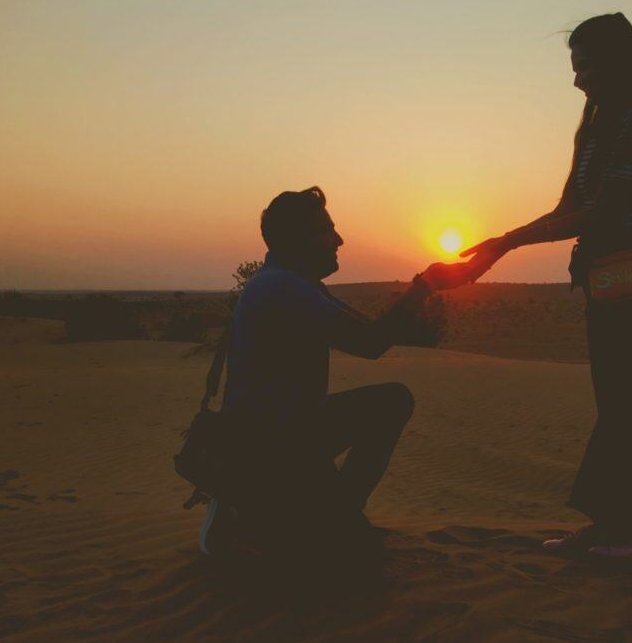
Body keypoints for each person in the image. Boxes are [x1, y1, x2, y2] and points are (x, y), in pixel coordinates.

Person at [461, 13, 632, 558]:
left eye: (585, 66)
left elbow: (604, 212)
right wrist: (503, 241)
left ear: (618, 62)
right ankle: (614, 527)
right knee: (616, 402)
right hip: (610, 275)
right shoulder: (597, 124)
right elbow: (571, 207)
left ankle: (631, 534)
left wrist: (508, 242)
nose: (577, 80)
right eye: (574, 67)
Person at [201, 186, 470, 555]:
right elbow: (372, 343)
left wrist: (424, 288)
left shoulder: (293, 285)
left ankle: (317, 516)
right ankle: (318, 517)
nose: (338, 240)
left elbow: (370, 331)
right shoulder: (284, 288)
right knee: (391, 402)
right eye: (326, 230)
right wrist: (426, 286)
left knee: (384, 404)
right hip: (273, 446)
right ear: (298, 240)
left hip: (284, 434)